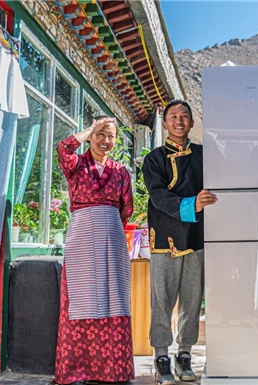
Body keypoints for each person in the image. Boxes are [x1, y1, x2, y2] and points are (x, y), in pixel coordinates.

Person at [54, 116, 134, 385]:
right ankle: (77, 371)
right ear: (89, 136)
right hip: (82, 239)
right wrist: (91, 127)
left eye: (110, 136)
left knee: (114, 300)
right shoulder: (76, 165)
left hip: (112, 237)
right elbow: (63, 149)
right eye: (100, 134)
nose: (105, 141)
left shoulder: (121, 171)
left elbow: (127, 208)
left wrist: (107, 224)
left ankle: (113, 371)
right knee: (82, 301)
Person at [142, 100, 217, 385]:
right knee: (162, 300)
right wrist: (192, 203)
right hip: (165, 236)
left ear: (192, 123)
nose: (178, 121)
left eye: (184, 116)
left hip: (197, 236)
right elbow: (158, 196)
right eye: (173, 116)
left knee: (191, 300)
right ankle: (161, 356)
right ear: (164, 124)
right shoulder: (154, 159)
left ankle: (184, 354)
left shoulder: (203, 155)